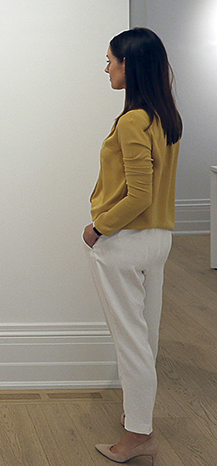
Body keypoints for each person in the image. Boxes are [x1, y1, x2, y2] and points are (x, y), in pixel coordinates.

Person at [83, 27, 182, 465]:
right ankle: (139, 424)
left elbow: (138, 194)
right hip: (158, 240)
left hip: (125, 242)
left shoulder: (132, 120)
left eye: (110, 60)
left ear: (130, 65)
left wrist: (99, 227)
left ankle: (137, 436)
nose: (106, 67)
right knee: (147, 338)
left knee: (131, 343)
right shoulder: (165, 117)